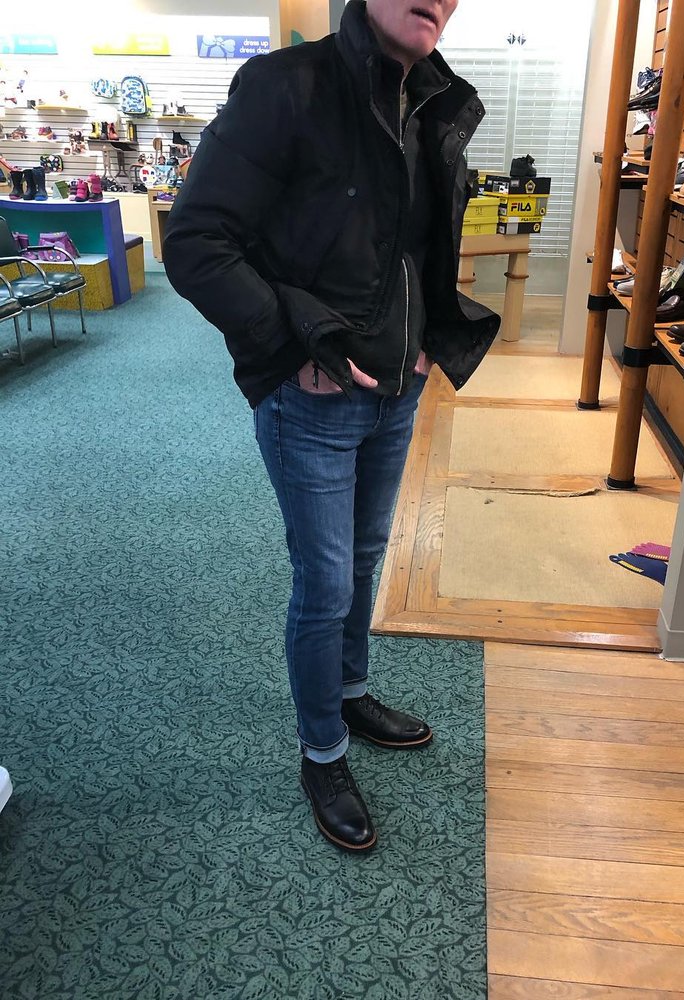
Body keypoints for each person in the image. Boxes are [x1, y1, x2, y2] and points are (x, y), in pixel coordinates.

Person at [163, 0, 499, 852]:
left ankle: (349, 693)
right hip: (311, 396)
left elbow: (414, 249)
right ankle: (323, 752)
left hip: (397, 388)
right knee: (325, 584)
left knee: (362, 560)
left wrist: (426, 341)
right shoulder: (286, 86)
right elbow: (197, 241)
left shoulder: (433, 99)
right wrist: (288, 346)